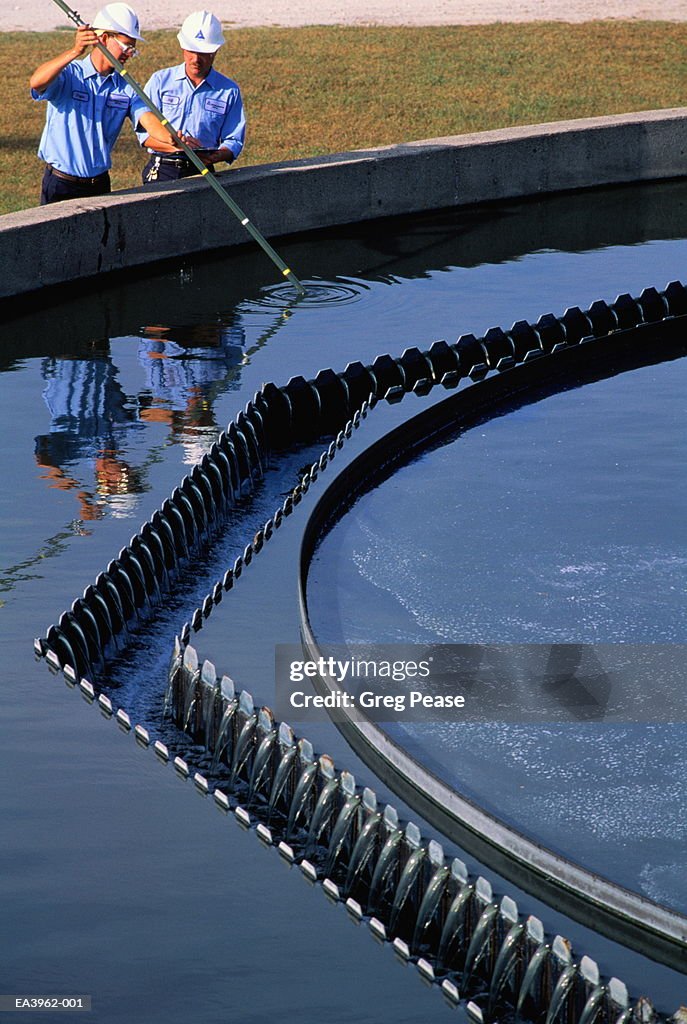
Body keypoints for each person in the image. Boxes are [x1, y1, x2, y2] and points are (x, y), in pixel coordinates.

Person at [30, 3, 162, 204]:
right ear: (104, 38)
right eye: (127, 46)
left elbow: (149, 120)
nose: (129, 53)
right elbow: (36, 82)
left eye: (133, 49)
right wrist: (75, 51)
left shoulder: (126, 87)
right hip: (61, 184)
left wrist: (173, 138)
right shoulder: (70, 74)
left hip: (99, 185)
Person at [137, 10, 246, 184]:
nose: (196, 59)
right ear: (182, 47)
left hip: (203, 170)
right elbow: (144, 136)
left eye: (203, 52)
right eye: (191, 51)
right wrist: (177, 147)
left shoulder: (228, 91)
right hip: (163, 169)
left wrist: (215, 156)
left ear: (215, 51)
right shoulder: (160, 81)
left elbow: (234, 140)